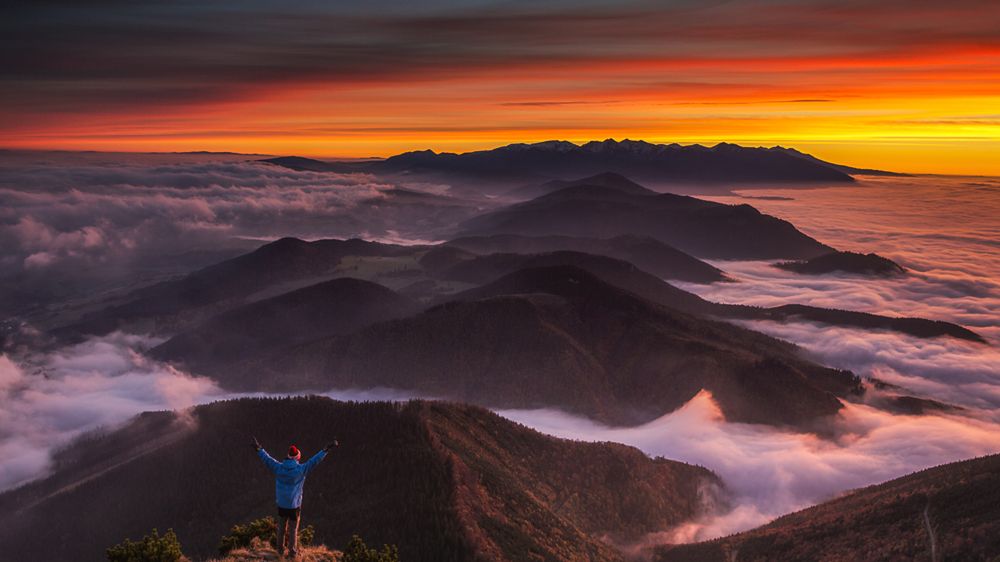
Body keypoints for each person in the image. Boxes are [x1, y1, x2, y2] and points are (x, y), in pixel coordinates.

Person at [253, 436, 338, 558]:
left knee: (281, 529)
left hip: (282, 504)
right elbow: (314, 461)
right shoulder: (301, 470)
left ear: (287, 456)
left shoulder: (278, 468)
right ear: (297, 457)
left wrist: (259, 449)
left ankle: (280, 551)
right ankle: (292, 553)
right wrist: (325, 450)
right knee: (293, 530)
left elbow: (267, 460)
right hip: (294, 506)